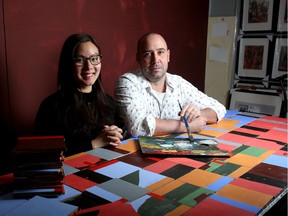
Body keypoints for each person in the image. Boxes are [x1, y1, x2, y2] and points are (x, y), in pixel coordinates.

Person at [114, 32, 226, 137]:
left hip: (174, 150)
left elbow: (219, 108)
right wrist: (187, 126)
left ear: (168, 56)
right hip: (134, 154)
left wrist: (197, 114)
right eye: (148, 54)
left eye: (160, 52)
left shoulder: (178, 83)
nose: (155, 59)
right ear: (138, 58)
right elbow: (138, 128)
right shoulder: (127, 82)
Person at [34, 33, 123, 156]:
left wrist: (116, 133)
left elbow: (122, 136)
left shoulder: (109, 102)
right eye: (80, 60)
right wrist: (94, 144)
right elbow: (44, 155)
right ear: (68, 64)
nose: (89, 66)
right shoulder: (50, 107)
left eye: (94, 58)